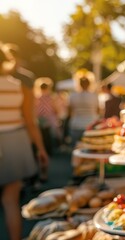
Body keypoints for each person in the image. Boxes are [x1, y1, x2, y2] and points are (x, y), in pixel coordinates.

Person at [0, 43, 49, 240]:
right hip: (15, 141)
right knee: (11, 200)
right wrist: (41, 150)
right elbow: (31, 122)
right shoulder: (19, 86)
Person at [68, 69, 99, 148]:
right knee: (90, 149)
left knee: (76, 148)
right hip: (90, 124)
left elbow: (69, 111)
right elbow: (98, 110)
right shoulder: (94, 95)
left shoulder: (73, 95)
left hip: (76, 124)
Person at [34, 77, 61, 157]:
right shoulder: (51, 97)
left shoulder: (37, 97)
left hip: (40, 118)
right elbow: (55, 108)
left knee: (42, 135)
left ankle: (42, 150)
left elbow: (35, 109)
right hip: (50, 118)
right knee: (50, 135)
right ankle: (50, 150)